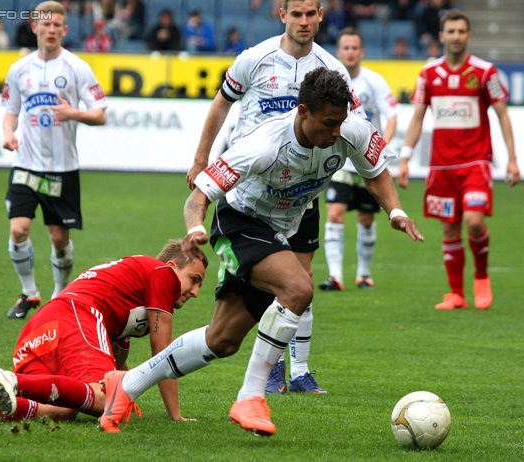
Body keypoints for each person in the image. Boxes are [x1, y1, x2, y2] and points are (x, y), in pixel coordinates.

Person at [98, 67, 423, 435]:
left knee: (221, 340)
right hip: (239, 223)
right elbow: (199, 195)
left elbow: (375, 170)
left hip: (280, 230)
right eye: (329, 123)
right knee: (298, 288)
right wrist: (195, 228)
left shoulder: (349, 129)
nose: (337, 133)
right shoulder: (264, 143)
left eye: (341, 123)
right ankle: (250, 396)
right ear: (303, 112)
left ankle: (124, 386)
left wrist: (394, 210)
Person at [186, 0, 365, 398]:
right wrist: (202, 157)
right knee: (278, 285)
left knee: (301, 279)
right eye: (296, 14)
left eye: (311, 14)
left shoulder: (331, 69)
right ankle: (272, 371)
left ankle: (299, 371)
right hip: (253, 187)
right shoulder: (254, 59)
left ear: (321, 16)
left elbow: (355, 124)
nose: (304, 21)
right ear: (282, 15)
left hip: (303, 185)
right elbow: (221, 105)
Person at [0, 240, 208, 426]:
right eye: (193, 280)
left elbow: (119, 361)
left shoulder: (130, 295)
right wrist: (176, 416)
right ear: (172, 268)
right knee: (102, 399)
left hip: (43, 325)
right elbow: (162, 351)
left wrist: (126, 392)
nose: (195, 292)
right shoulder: (162, 274)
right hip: (78, 314)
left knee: (64, 407)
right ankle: (13, 380)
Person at [397, 10, 520, 310]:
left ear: (468, 35)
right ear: (441, 36)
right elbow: (417, 119)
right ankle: (456, 294)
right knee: (450, 229)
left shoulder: (484, 72)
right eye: (450, 31)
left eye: (461, 31)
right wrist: (405, 158)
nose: (455, 36)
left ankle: (481, 278)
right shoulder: (428, 74)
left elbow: (503, 115)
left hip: (476, 163)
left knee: (474, 221)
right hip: (441, 166)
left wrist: (512, 160)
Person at [1, 1, 107, 320]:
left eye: (56, 25)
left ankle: (60, 294)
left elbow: (100, 113)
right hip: (25, 165)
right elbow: (10, 111)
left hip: (62, 170)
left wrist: (73, 113)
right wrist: (8, 133)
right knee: (18, 229)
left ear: (65, 29)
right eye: (45, 25)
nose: (51, 30)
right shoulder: (19, 69)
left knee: (59, 239)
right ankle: (29, 294)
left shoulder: (77, 67)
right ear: (34, 27)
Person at [320, 27, 400, 291]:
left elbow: (392, 115)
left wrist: (380, 145)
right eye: (346, 48)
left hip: (365, 161)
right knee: (335, 213)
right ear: (338, 51)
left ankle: (364, 275)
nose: (350, 52)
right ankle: (335, 276)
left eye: (355, 48)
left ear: (362, 52)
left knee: (366, 219)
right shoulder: (331, 81)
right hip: (340, 160)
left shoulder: (374, 81)